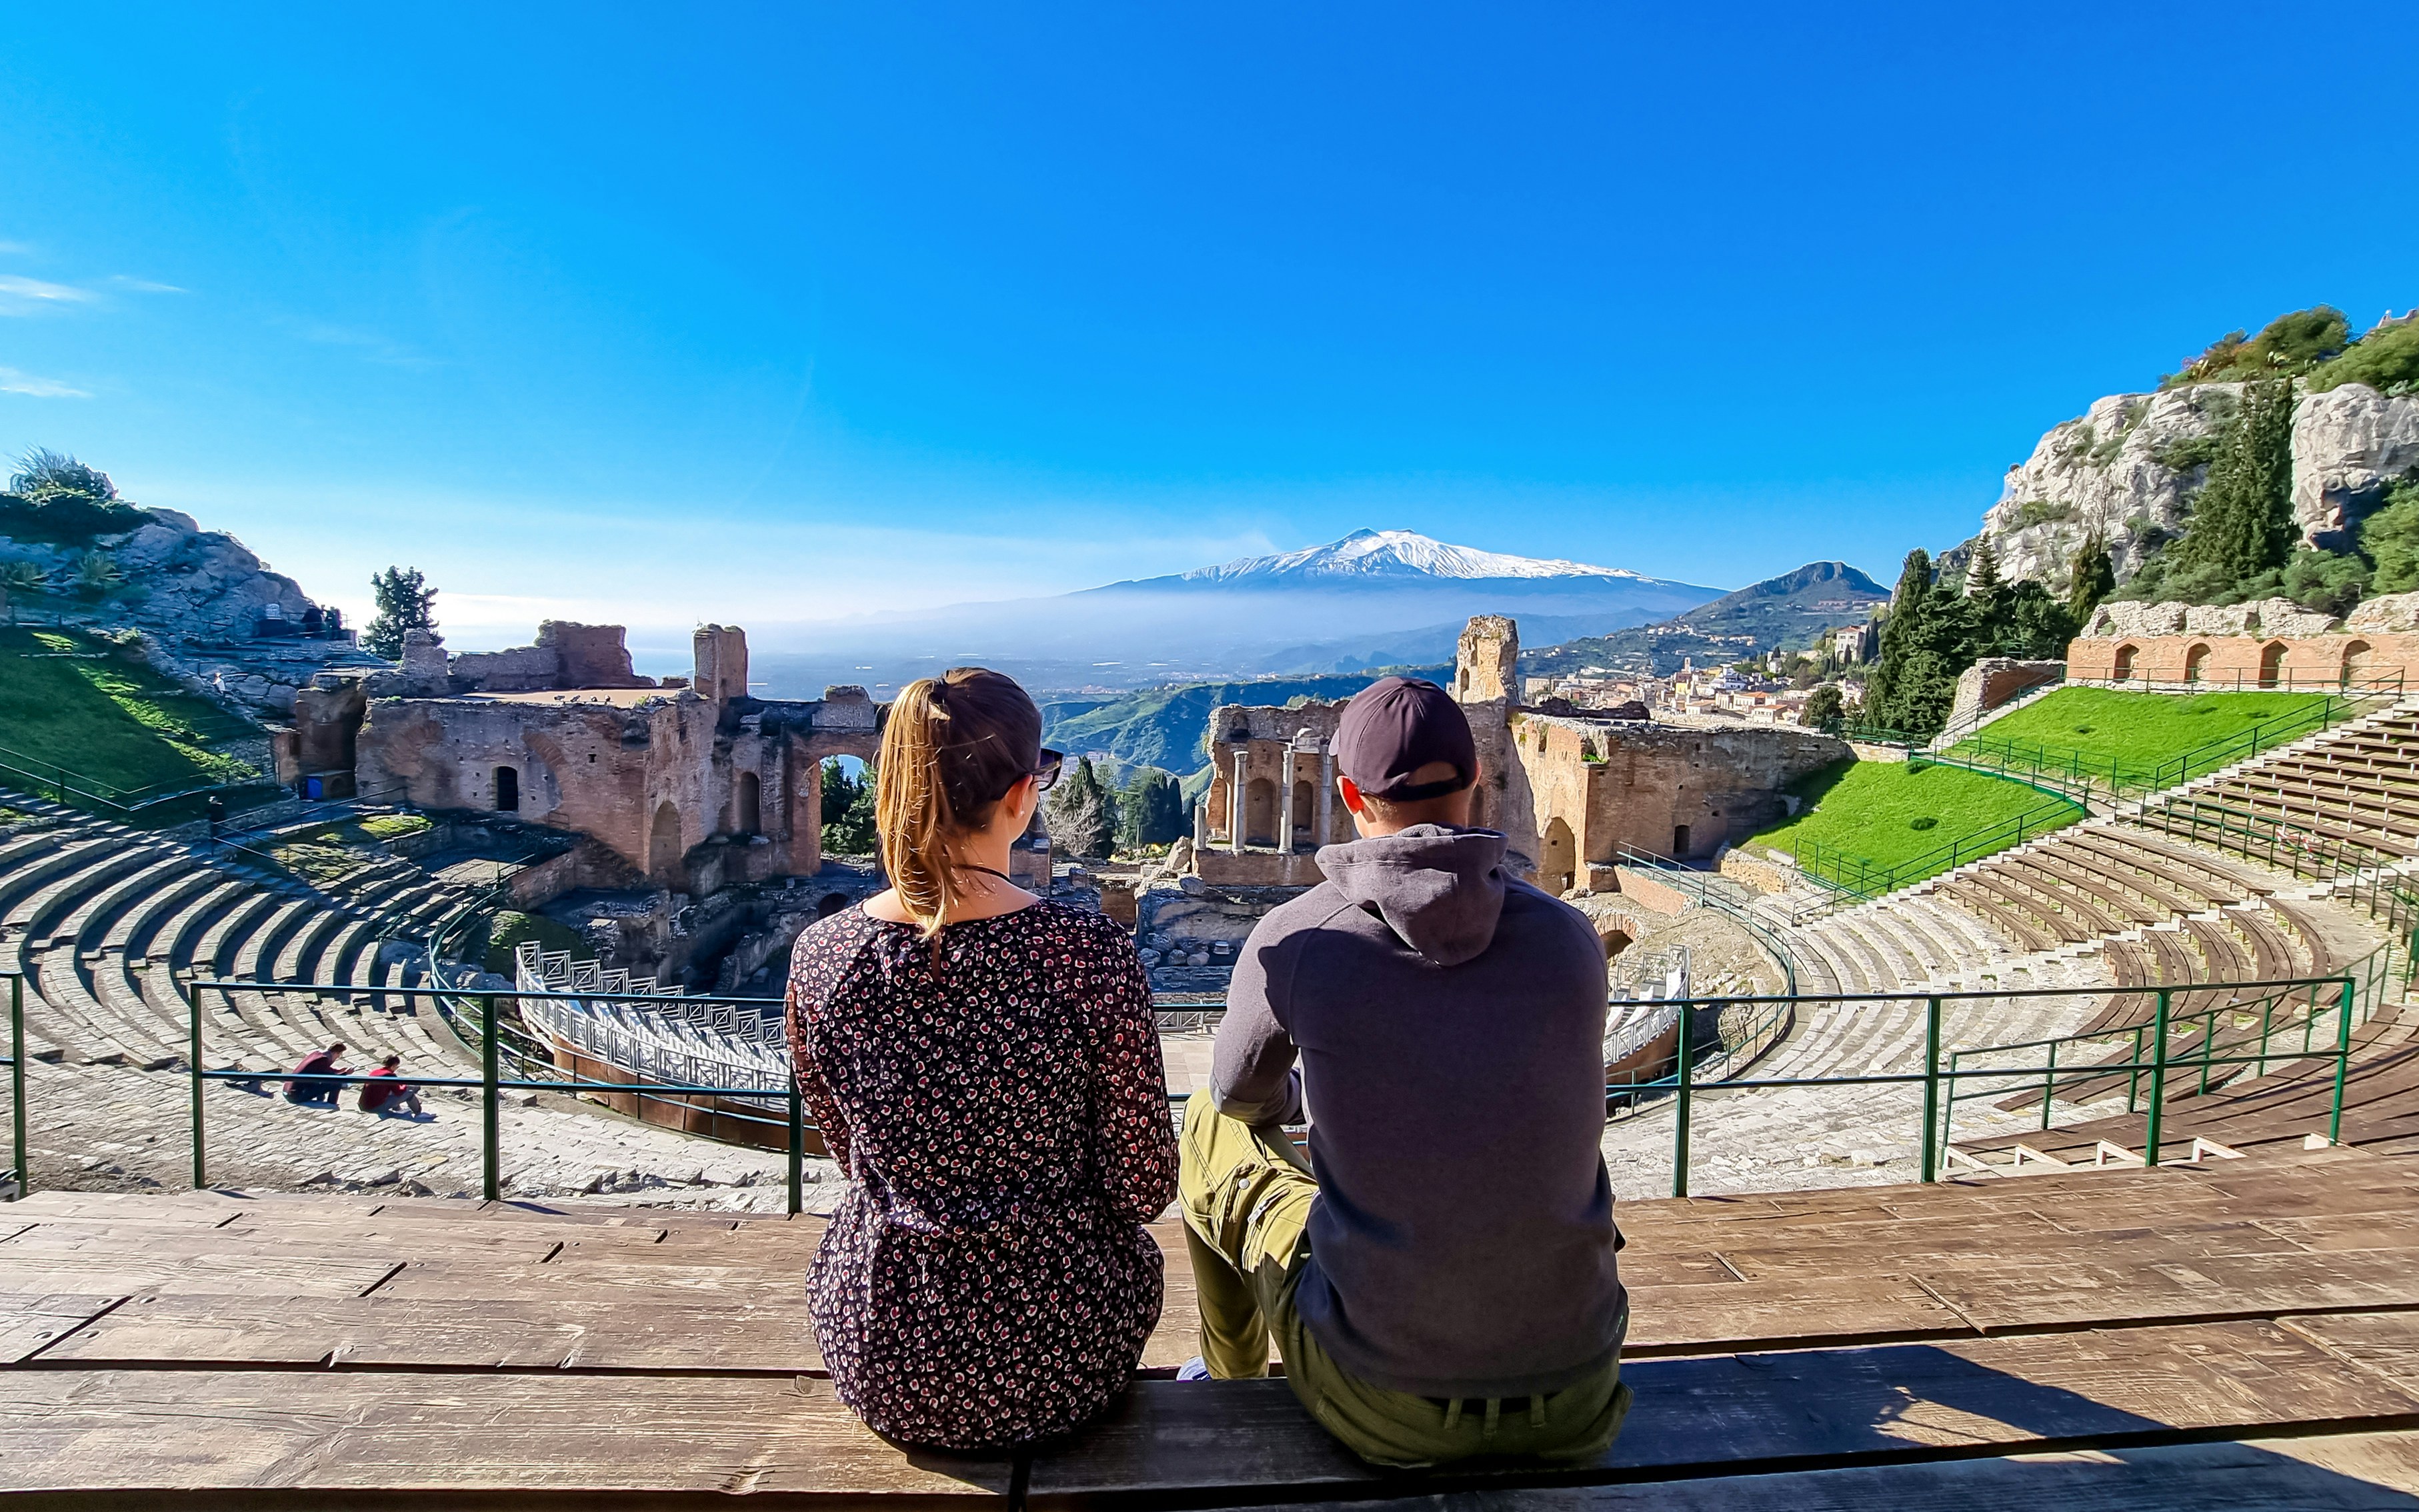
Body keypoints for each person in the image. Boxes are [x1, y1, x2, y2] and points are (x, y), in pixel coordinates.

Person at [1179, 675, 1630, 1467]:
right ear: (1478, 781)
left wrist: (1302, 1092)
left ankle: (1232, 1377)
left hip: (1384, 1404)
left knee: (1205, 1127)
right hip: (1579, 1397)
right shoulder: (1568, 939)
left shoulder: (1301, 936)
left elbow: (1238, 1095)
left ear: (1348, 793)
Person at [785, 667, 1177, 1451]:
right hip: (1062, 1355)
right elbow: (1142, 1187)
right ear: (1022, 794)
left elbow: (847, 1150)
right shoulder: (1086, 955)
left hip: (883, 1350)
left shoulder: (821, 955)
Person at [358, 1053, 423, 1117]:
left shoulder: (375, 1072)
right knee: (410, 1093)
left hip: (364, 1105)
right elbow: (399, 1092)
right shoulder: (390, 1075)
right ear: (394, 1066)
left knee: (390, 1091)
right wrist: (405, 1085)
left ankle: (397, 1109)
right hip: (376, 1108)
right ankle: (418, 1113)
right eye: (397, 1066)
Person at [285, 1041, 349, 1105]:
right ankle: (331, 1105)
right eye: (339, 1055)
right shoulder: (323, 1060)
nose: (338, 1057)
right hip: (295, 1096)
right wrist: (346, 1073)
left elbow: (325, 1070)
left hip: (287, 1091)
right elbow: (331, 1077)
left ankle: (320, 1100)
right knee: (337, 1083)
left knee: (320, 1081)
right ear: (336, 1053)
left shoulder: (316, 1054)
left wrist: (339, 1071)